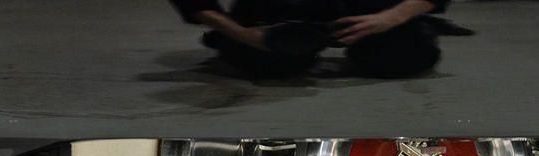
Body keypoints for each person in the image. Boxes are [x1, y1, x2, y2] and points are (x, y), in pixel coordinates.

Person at [170, 0, 448, 78]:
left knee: (408, 55)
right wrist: (243, 35)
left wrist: (393, 17)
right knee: (271, 64)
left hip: (366, 8)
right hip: (280, 12)